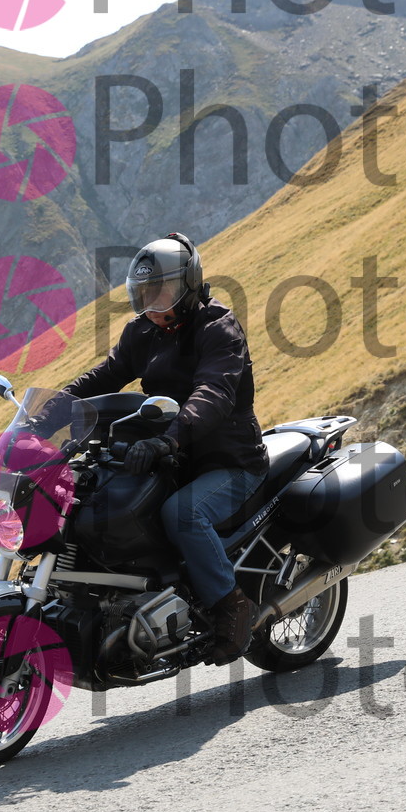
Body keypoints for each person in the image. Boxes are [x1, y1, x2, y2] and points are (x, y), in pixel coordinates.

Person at [48, 233, 268, 664]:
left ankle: (232, 606)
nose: (151, 303)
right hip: (172, 458)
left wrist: (169, 438)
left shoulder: (218, 329)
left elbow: (212, 394)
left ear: (189, 286)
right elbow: (105, 376)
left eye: (161, 292)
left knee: (182, 514)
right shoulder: (143, 331)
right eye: (144, 293)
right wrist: (46, 415)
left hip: (228, 462)